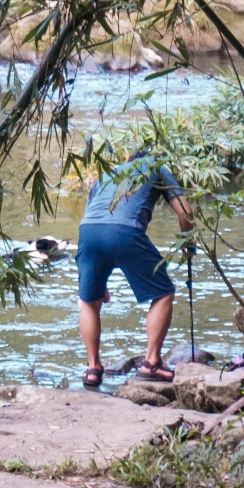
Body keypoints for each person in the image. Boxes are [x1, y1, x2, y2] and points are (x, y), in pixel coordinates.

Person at [75, 150, 194, 387]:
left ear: (127, 161)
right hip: (125, 230)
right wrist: (187, 243)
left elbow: (94, 219)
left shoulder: (105, 175)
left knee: (88, 300)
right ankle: (151, 363)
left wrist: (100, 282)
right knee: (163, 293)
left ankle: (93, 368)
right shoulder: (156, 168)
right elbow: (185, 211)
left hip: (87, 232)